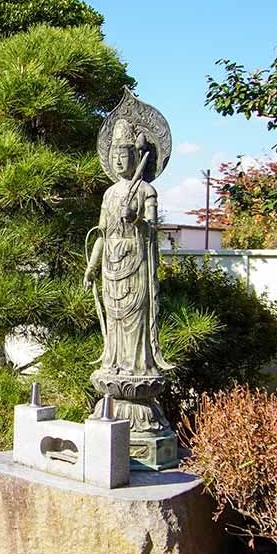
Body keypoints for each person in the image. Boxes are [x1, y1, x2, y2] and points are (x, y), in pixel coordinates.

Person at [83, 118, 173, 377]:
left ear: (136, 156)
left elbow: (153, 229)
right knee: (114, 318)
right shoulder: (109, 194)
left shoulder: (147, 191)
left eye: (124, 155)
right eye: (115, 156)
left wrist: (136, 219)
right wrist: (91, 266)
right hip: (110, 264)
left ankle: (136, 366)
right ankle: (112, 363)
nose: (120, 161)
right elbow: (101, 233)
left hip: (136, 261)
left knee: (134, 318)